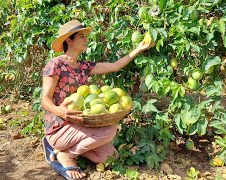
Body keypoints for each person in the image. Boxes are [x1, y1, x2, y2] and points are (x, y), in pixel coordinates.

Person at [41, 20, 154, 180]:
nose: (86, 40)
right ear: (69, 40)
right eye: (81, 37)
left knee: (110, 157)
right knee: (109, 130)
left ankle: (67, 149)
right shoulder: (55, 64)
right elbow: (44, 100)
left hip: (79, 123)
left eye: (86, 36)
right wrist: (61, 111)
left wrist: (139, 48)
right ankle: (65, 153)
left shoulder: (83, 66)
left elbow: (115, 66)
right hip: (60, 126)